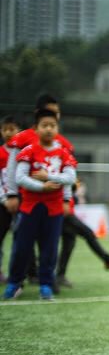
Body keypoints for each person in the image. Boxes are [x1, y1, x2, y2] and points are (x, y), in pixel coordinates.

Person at [3, 109, 76, 300]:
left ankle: (46, 285)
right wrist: (42, 187)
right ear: (36, 128)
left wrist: (51, 179)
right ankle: (14, 283)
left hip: (54, 210)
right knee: (22, 247)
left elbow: (70, 177)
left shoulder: (63, 153)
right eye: (45, 125)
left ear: (57, 128)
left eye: (53, 126)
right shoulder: (28, 151)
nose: (49, 129)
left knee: (50, 249)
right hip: (30, 207)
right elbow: (20, 177)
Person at [55, 179, 109, 292]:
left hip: (66, 209)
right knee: (87, 233)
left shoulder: (67, 165)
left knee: (69, 242)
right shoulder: (58, 164)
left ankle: (59, 275)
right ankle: (108, 260)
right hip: (60, 210)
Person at [0, 116, 21, 283]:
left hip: (22, 202)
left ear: (19, 131)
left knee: (22, 238)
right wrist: (4, 199)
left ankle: (21, 273)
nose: (8, 132)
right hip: (3, 203)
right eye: (5, 129)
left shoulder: (24, 153)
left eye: (12, 129)